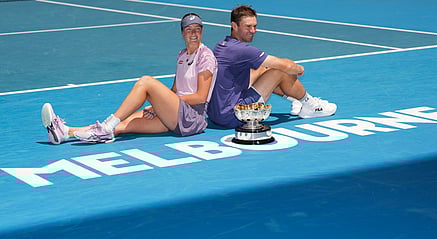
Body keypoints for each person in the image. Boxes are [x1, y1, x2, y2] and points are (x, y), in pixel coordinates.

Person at [42, 13, 217, 144]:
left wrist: (160, 103)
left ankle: (105, 127)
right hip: (176, 115)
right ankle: (64, 133)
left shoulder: (205, 56)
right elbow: (174, 91)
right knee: (122, 125)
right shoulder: (182, 55)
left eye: (197, 30)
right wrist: (158, 105)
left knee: (146, 82)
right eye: (189, 30)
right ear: (182, 33)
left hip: (193, 118)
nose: (193, 34)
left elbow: (200, 97)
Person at [207, 5, 337, 129]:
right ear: (234, 26)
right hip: (234, 116)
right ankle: (310, 105)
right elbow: (286, 66)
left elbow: (261, 69)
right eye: (248, 27)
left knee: (262, 69)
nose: (253, 31)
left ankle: (295, 99)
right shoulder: (242, 50)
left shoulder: (222, 45)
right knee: (279, 71)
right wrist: (299, 69)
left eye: (254, 26)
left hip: (216, 115)